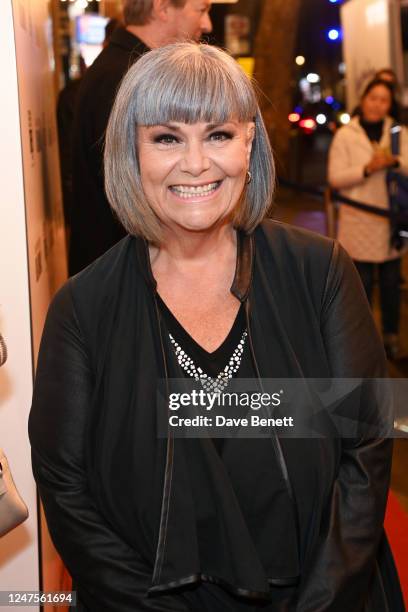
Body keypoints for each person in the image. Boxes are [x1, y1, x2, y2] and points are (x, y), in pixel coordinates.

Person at [30, 44, 403, 611]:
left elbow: (368, 445)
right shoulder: (84, 308)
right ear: (131, 152)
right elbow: (67, 491)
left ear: (249, 142)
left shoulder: (319, 271)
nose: (197, 163)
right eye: (167, 137)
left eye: (219, 135)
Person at [69, 0, 212, 276]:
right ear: (162, 7)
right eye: (202, 10)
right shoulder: (127, 77)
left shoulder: (123, 68)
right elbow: (130, 192)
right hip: (125, 281)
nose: (207, 25)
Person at [328, 78, 408, 359]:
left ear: (390, 104)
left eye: (383, 100)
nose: (377, 104)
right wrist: (366, 168)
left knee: (390, 287)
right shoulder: (346, 135)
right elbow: (335, 178)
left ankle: (391, 338)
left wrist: (395, 162)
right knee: (359, 289)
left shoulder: (398, 133)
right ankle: (360, 344)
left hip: (391, 223)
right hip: (358, 223)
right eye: (372, 98)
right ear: (363, 99)